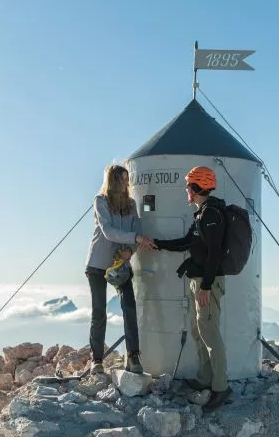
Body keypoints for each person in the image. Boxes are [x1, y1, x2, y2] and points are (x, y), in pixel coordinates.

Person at [154, 166, 232, 412]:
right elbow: (186, 243)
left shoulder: (211, 215)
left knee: (210, 334)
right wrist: (155, 243)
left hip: (206, 283)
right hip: (198, 280)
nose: (186, 190)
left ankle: (220, 388)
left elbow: (215, 254)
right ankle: (205, 379)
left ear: (197, 187)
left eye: (188, 186)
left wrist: (207, 286)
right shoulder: (201, 214)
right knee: (200, 332)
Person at [86, 164, 156, 375]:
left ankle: (133, 356)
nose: (125, 184)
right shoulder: (100, 201)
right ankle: (96, 360)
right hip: (98, 264)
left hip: (121, 263)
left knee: (129, 308)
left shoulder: (132, 204)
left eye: (127, 180)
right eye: (121, 180)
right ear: (112, 181)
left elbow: (138, 230)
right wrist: (135, 239)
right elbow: (108, 231)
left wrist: (130, 251)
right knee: (99, 311)